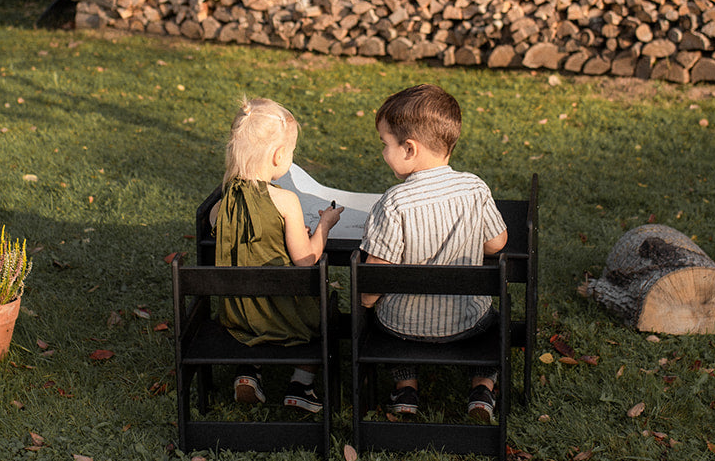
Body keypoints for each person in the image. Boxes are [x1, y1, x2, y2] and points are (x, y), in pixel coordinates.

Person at [360, 84, 508, 422]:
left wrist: (365, 304)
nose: (383, 153)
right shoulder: (475, 188)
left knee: (381, 316)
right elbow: (497, 243)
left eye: (385, 145)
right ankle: (483, 388)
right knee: (495, 323)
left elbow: (375, 278)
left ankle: (406, 387)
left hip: (402, 325)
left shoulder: (394, 203)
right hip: (468, 322)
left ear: (409, 149)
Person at [213, 97, 343, 413]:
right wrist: (324, 225)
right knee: (327, 314)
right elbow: (307, 259)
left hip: (239, 314)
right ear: (277, 156)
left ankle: (248, 372)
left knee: (254, 321)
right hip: (284, 312)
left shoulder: (219, 207)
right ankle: (301, 385)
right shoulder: (285, 201)